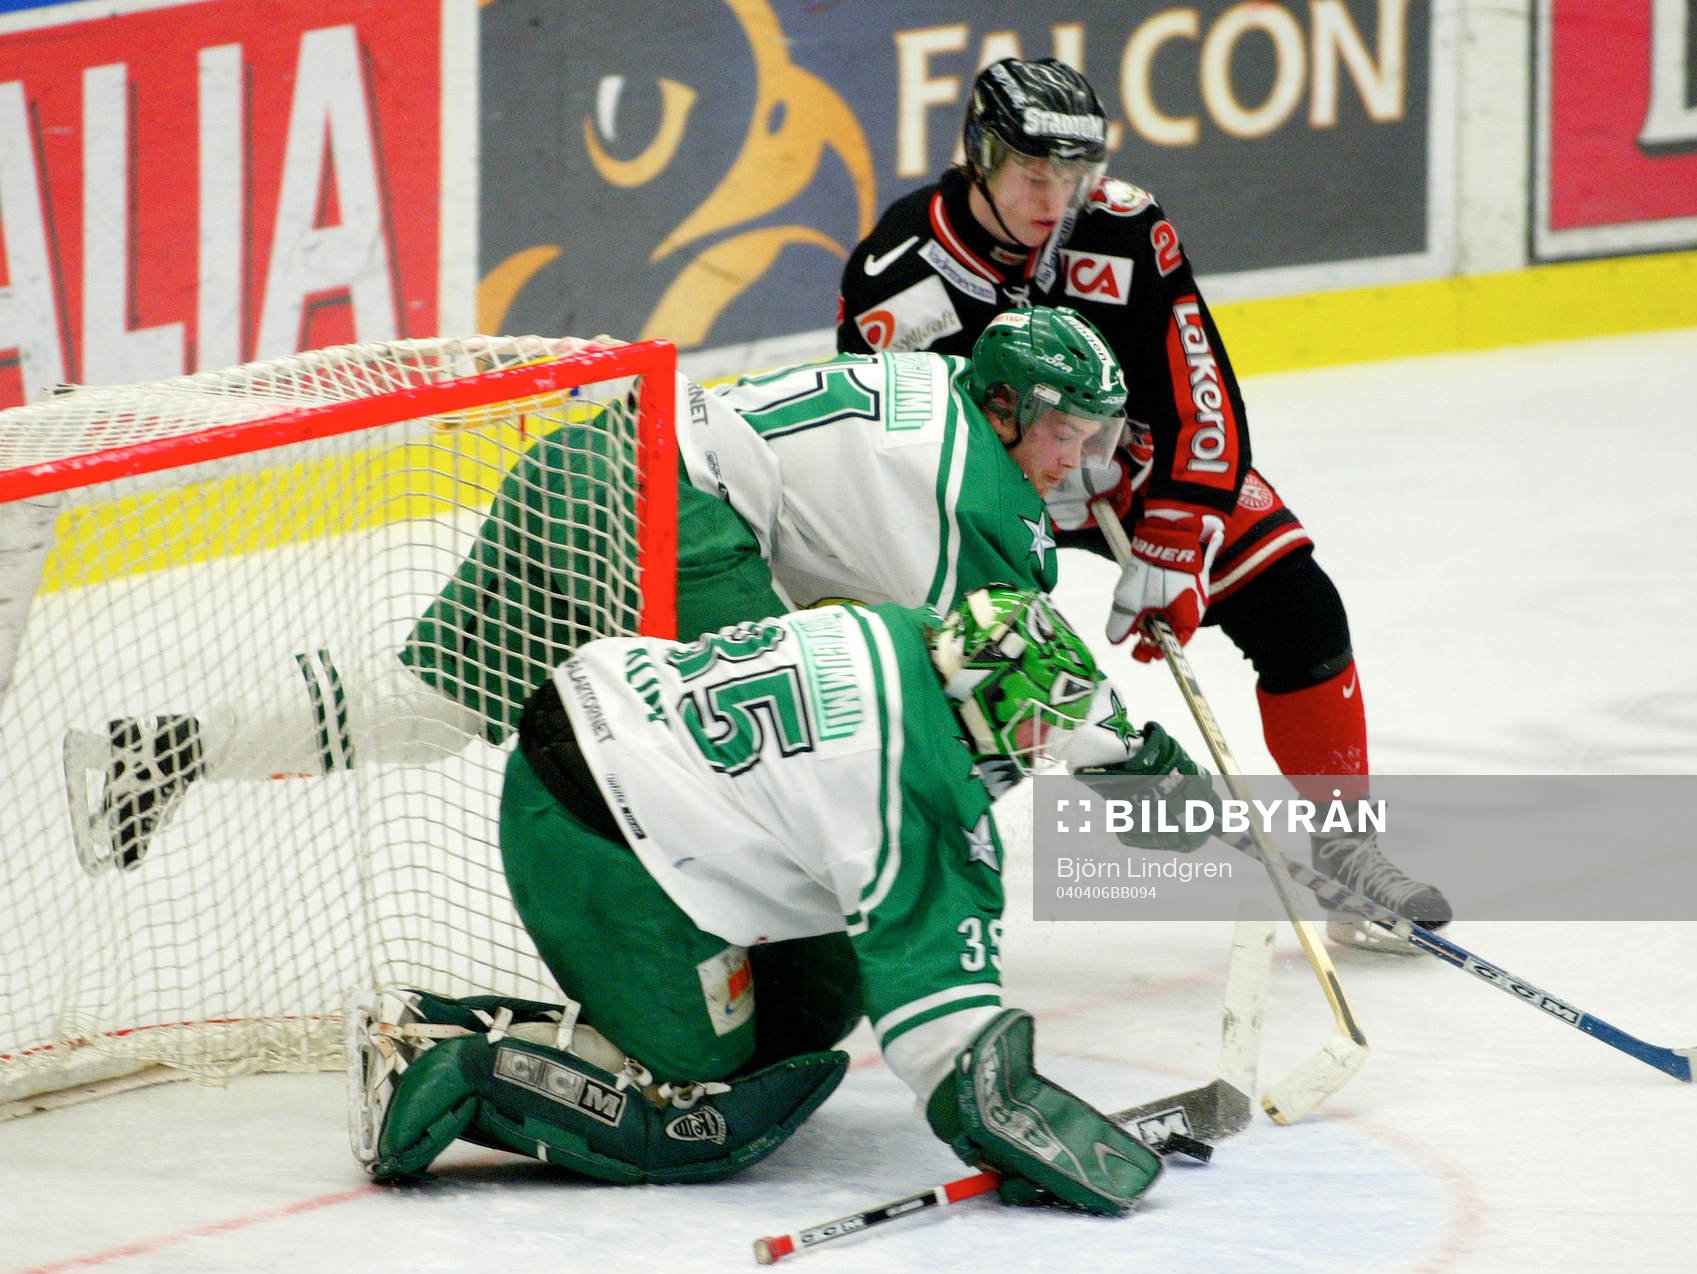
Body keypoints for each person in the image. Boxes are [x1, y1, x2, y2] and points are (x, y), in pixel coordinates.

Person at [66, 308, 1131, 870]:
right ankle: (685, 997)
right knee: (772, 754)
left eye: (1088, 441)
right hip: (676, 524)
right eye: (1061, 432)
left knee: (429, 705)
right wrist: (1183, 806)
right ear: (1005, 404)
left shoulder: (923, 383)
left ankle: (172, 745)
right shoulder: (984, 490)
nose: (1068, 462)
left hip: (586, 463)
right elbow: (1024, 681)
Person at [836, 57, 1449, 950]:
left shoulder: (1122, 225)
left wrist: (1176, 534)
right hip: (983, 497)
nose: (1055, 198)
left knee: (1299, 609)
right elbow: (884, 451)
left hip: (1129, 469)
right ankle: (907, 882)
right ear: (980, 154)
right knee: (963, 675)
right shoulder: (899, 282)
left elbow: (1198, 384)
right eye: (1033, 174)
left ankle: (1346, 849)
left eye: (1072, 174)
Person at [348, 585, 1213, 1204]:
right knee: (689, 1110)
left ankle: (614, 1021)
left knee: (823, 993)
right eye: (1031, 731)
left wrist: (1131, 760)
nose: (1034, 750)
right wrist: (1005, 1111)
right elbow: (938, 1023)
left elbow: (1032, 672)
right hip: (591, 828)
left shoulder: (919, 632)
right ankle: (452, 1056)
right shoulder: (909, 787)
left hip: (628, 739)